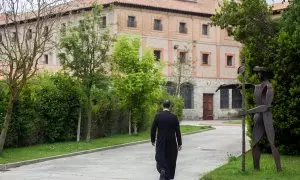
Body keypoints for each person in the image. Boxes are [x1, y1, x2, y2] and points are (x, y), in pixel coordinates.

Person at [151, 100, 182, 180]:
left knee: (160, 157)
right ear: (170, 106)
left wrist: (153, 140)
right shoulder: (174, 117)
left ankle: (162, 170)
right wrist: (179, 143)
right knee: (170, 158)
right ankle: (167, 175)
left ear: (162, 106)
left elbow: (153, 129)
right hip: (172, 142)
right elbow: (178, 131)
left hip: (161, 141)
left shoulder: (158, 116)